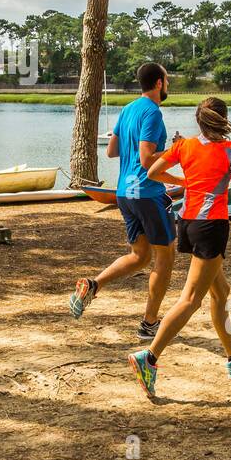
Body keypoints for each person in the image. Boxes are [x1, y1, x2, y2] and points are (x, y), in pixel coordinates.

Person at [127, 96, 231, 397]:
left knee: (221, 292)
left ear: (199, 122)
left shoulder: (183, 146)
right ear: (223, 120)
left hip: (186, 223)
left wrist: (185, 181)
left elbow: (152, 172)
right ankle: (149, 358)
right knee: (190, 299)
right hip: (211, 227)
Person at [68, 62, 176, 340]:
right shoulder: (153, 112)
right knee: (164, 257)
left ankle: (93, 285)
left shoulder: (127, 110)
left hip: (125, 194)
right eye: (167, 78)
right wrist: (175, 150)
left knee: (140, 256)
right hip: (149, 193)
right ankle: (149, 323)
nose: (168, 83)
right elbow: (146, 158)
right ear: (159, 83)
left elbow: (112, 151)